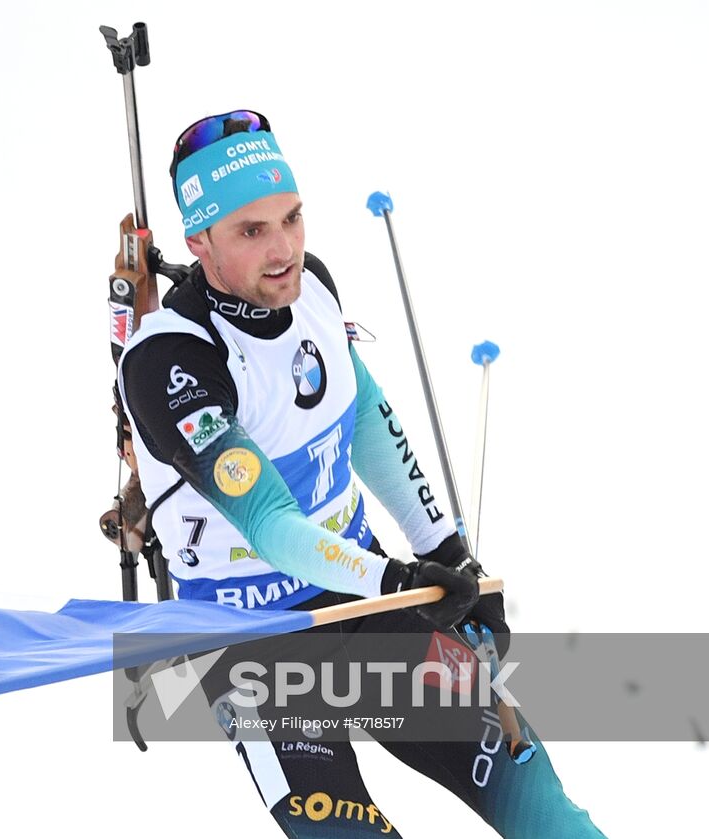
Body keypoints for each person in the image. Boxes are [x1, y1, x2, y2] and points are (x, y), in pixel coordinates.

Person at [117, 110, 604, 837]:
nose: (283, 248)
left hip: (368, 603)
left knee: (544, 812)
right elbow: (272, 524)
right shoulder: (171, 362)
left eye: (292, 217)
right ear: (200, 241)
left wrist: (442, 550)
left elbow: (363, 409)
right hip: (256, 649)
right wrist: (397, 579)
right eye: (252, 231)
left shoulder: (311, 287)